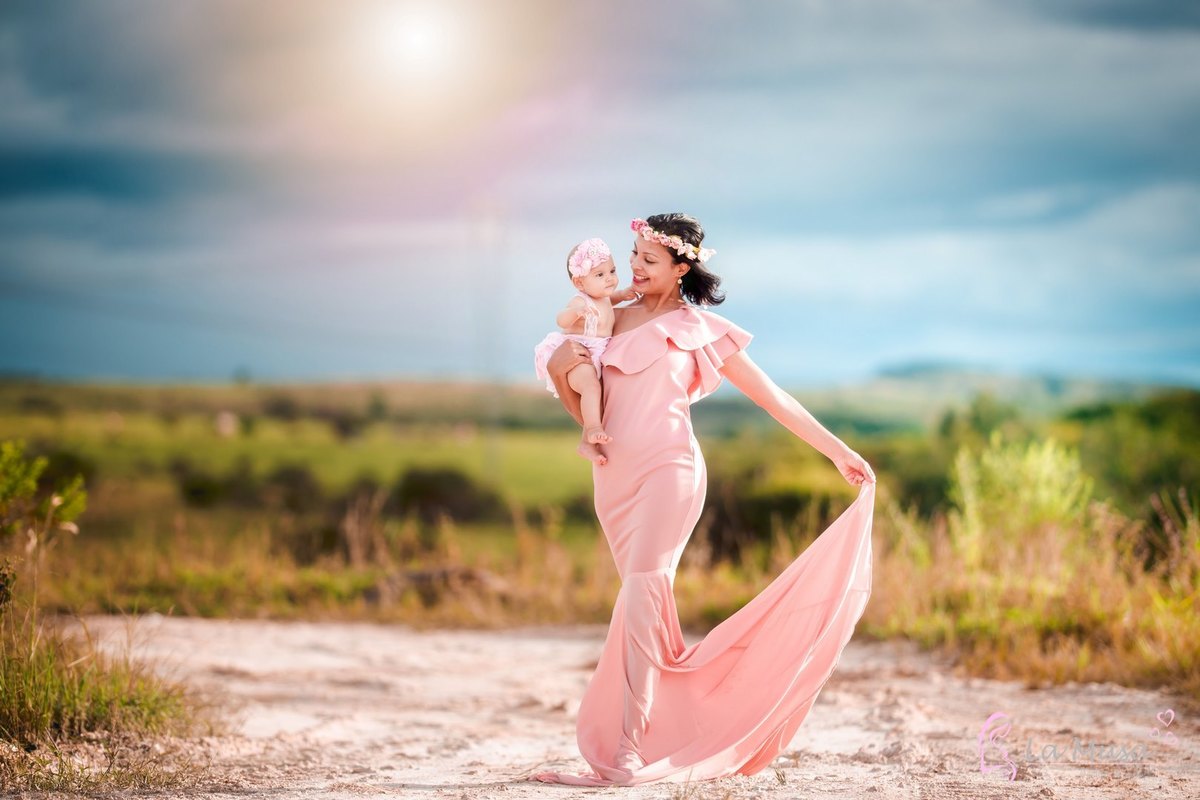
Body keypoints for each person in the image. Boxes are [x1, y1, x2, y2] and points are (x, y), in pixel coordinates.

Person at [527, 213, 877, 787]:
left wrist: (837, 451)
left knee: (642, 595)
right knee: (648, 614)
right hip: (615, 480)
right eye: (633, 255)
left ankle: (625, 754)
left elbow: (771, 398)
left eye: (648, 260)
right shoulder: (608, 318)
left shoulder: (699, 328)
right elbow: (568, 374)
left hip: (672, 470)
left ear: (681, 267)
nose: (634, 268)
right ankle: (676, 730)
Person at [532, 237, 638, 465]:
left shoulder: (604, 296)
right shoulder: (580, 300)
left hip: (595, 355)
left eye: (612, 270)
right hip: (578, 355)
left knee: (596, 394)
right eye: (600, 275)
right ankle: (593, 428)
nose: (609, 278)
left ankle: (586, 445)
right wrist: (576, 312)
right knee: (590, 386)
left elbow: (612, 299)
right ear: (580, 283)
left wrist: (626, 293)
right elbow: (561, 319)